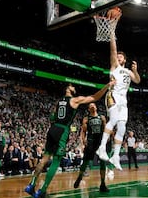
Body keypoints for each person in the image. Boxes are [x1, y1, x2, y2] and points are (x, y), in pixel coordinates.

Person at [24, 81, 115, 198]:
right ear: (68, 88)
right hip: (62, 130)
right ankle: (42, 191)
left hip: (53, 128)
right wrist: (107, 86)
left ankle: (31, 185)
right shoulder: (74, 100)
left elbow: (52, 116)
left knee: (44, 159)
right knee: (56, 161)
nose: (75, 88)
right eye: (73, 86)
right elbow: (94, 97)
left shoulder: (59, 102)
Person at [96, 12, 141, 170]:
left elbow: (137, 80)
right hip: (112, 95)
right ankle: (101, 147)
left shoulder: (128, 71)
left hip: (124, 100)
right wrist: (112, 32)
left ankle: (115, 156)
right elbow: (113, 51)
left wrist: (135, 71)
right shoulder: (114, 66)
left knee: (122, 127)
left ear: (125, 60)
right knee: (113, 120)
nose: (119, 57)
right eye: (118, 56)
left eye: (122, 57)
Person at [74, 102, 109, 192]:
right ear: (89, 109)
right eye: (90, 106)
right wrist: (82, 141)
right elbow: (83, 131)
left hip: (100, 142)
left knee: (103, 163)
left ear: (96, 108)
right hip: (90, 141)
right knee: (85, 162)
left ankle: (103, 184)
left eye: (93, 105)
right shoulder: (86, 119)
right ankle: (79, 177)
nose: (92, 106)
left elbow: (105, 129)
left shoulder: (102, 117)